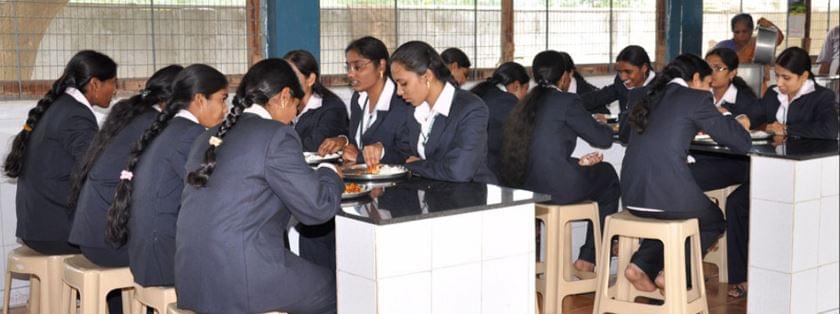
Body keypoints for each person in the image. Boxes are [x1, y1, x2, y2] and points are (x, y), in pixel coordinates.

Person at [176, 58, 343, 314]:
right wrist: (329, 171)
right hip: (239, 280)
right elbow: (317, 208)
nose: (293, 118)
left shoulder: (206, 136)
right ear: (285, 96)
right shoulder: (277, 134)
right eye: (296, 109)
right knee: (336, 288)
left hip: (191, 279)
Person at [620, 53, 751, 293]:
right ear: (696, 78)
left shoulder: (644, 95)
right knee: (713, 220)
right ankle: (673, 273)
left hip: (631, 195)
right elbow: (742, 143)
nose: (708, 89)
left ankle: (640, 265)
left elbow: (626, 136)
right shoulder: (696, 99)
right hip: (667, 194)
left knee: (674, 214)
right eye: (707, 84)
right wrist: (728, 115)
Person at [724, 47, 840, 298]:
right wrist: (744, 119)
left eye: (787, 77)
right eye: (777, 76)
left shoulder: (821, 98)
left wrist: (788, 128)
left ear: (804, 76)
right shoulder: (774, 94)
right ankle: (742, 278)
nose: (780, 83)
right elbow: (755, 115)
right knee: (736, 204)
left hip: (805, 175)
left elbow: (829, 130)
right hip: (771, 172)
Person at [106, 64, 229, 287]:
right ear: (200, 100)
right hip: (162, 259)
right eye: (222, 99)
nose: (225, 109)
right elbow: (207, 192)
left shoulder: (173, 128)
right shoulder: (189, 135)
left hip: (148, 253)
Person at [500, 50, 620, 274]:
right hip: (556, 189)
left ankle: (585, 257)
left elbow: (542, 149)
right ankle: (588, 258)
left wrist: (577, 163)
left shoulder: (525, 102)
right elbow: (601, 139)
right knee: (608, 177)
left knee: (592, 172)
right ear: (565, 77)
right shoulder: (567, 101)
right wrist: (604, 124)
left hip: (524, 186)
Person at [69, 65, 183, 268]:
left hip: (91, 238)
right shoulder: (155, 125)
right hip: (112, 244)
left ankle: (125, 301)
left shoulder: (131, 114)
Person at [5, 50, 117, 255]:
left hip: (37, 227)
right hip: (56, 231)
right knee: (126, 243)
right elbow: (97, 172)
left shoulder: (58, 107)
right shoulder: (77, 116)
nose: (115, 90)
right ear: (94, 84)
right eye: (112, 82)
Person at [386, 40, 496, 183]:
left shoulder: (471, 109)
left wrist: (417, 165)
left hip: (470, 197)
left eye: (404, 83)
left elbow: (459, 171)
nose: (399, 92)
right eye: (396, 84)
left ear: (427, 76)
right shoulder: (416, 110)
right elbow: (404, 154)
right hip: (436, 196)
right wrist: (381, 150)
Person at [317, 36, 414, 166]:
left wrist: (361, 157)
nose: (350, 74)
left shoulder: (402, 102)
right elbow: (356, 140)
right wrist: (343, 141)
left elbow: (408, 155)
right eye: (348, 67)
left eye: (358, 67)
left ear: (381, 65)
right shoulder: (358, 99)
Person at [469, 61, 529, 178]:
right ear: (515, 85)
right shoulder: (506, 101)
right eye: (525, 90)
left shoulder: (481, 91)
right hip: (489, 170)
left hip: (471, 164)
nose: (525, 96)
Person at [283, 50, 349, 152]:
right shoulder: (283, 105)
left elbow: (315, 145)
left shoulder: (332, 108)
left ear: (310, 79)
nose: (287, 82)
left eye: (293, 77)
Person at [581, 45, 655, 117]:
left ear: (644, 68)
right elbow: (599, 97)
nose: (623, 77)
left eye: (628, 72)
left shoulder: (660, 87)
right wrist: (572, 103)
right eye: (619, 72)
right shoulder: (621, 83)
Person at [715, 14, 785, 64]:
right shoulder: (723, 46)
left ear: (751, 30)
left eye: (744, 31)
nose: (741, 35)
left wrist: (770, 25)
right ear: (732, 31)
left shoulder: (759, 44)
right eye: (737, 32)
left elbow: (779, 39)